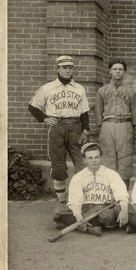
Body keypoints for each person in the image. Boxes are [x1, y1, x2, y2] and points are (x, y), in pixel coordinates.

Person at [28, 55, 90, 204]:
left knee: (82, 165)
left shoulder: (79, 88)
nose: (68, 70)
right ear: (57, 69)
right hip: (57, 127)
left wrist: (85, 131)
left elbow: (84, 112)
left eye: (70, 67)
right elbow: (32, 106)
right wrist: (45, 118)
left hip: (76, 126)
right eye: (64, 67)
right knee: (58, 167)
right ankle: (62, 201)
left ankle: (83, 199)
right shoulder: (48, 88)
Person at [53, 143, 130, 236]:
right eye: (90, 158)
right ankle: (90, 228)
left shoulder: (111, 174)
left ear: (100, 158)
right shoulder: (79, 177)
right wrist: (78, 216)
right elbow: (74, 200)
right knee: (58, 211)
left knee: (111, 215)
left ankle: (79, 225)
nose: (94, 161)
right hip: (85, 209)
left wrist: (124, 210)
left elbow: (122, 193)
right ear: (84, 160)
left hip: (104, 208)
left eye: (96, 157)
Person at [95, 58, 136, 190]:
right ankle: (109, 194)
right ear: (110, 71)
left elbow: (135, 113)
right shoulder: (102, 91)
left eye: (120, 69)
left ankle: (123, 195)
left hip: (125, 124)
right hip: (108, 124)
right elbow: (98, 110)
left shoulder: (130, 91)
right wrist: (100, 125)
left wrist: (133, 127)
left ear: (124, 71)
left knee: (125, 160)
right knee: (108, 159)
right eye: (115, 69)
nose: (118, 72)